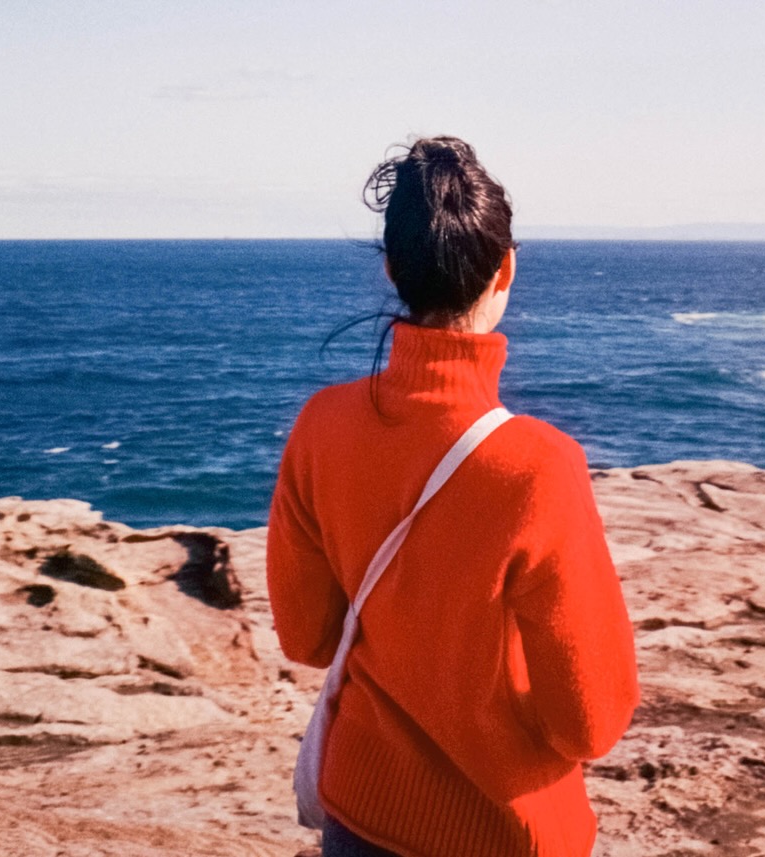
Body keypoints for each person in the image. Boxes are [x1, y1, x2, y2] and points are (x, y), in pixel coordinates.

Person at [266, 136, 639, 857]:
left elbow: (308, 638)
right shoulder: (538, 464)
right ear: (504, 267)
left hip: (361, 815)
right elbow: (589, 722)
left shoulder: (321, 424)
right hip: (503, 831)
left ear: (390, 267)